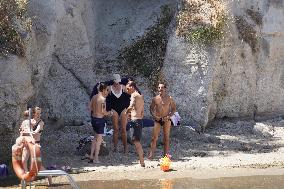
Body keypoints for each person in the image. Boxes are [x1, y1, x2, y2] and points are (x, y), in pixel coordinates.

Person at [148, 83, 176, 159]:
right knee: (154, 138)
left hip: (166, 120)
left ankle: (166, 156)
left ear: (165, 89)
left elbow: (174, 109)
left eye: (162, 87)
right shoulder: (155, 98)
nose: (160, 89)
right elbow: (151, 109)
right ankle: (151, 155)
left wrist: (169, 116)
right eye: (159, 87)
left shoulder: (169, 98)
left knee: (166, 138)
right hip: (158, 119)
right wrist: (154, 116)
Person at [106, 74, 131, 153]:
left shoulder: (123, 87)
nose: (117, 83)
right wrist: (108, 109)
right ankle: (115, 147)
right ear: (113, 81)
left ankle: (125, 148)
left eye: (118, 81)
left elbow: (131, 95)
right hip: (114, 109)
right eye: (116, 81)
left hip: (123, 108)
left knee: (123, 128)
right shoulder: (109, 88)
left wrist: (130, 108)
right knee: (116, 129)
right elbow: (104, 97)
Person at [89, 83, 112, 163]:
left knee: (94, 139)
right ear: (103, 89)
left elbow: (90, 108)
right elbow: (103, 112)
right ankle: (96, 159)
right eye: (106, 90)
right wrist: (109, 113)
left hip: (94, 119)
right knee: (99, 141)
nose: (107, 91)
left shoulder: (94, 97)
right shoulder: (103, 99)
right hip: (99, 120)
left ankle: (91, 156)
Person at [125, 81, 145, 167]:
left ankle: (142, 162)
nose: (127, 90)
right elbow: (142, 111)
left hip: (135, 121)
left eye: (128, 88)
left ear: (132, 87)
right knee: (136, 141)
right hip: (139, 120)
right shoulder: (140, 96)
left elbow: (131, 105)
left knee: (136, 142)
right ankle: (141, 161)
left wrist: (126, 113)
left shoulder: (134, 95)